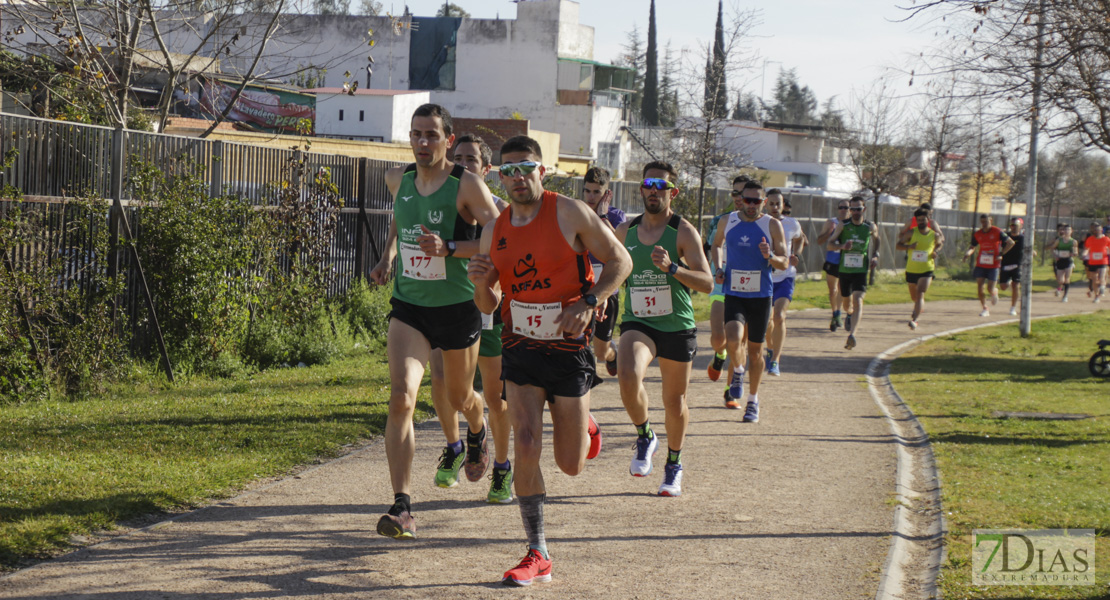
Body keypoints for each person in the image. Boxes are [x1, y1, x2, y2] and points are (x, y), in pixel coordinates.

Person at [467, 135, 632, 586]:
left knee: (571, 464)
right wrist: (481, 281)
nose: (518, 178)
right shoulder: (494, 229)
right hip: (520, 345)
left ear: (543, 172)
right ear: (499, 179)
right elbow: (487, 304)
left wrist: (590, 299)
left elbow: (621, 261)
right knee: (524, 442)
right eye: (508, 172)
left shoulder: (568, 213)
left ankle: (586, 424)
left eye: (526, 169)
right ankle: (537, 551)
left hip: (568, 347)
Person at [368, 104, 501, 539]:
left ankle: (477, 431)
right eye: (416, 134)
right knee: (402, 398)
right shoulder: (397, 180)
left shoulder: (467, 186)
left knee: (461, 396)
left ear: (447, 139)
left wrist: (449, 248)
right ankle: (402, 505)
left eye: (431, 135)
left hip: (458, 308)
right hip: (409, 307)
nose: (423, 143)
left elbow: (496, 233)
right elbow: (398, 221)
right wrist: (387, 257)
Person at [614, 161, 713, 497]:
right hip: (639, 322)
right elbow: (611, 271)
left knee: (674, 401)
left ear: (673, 192)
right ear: (640, 188)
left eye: (661, 185)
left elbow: (707, 283)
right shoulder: (625, 231)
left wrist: (673, 269)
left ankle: (674, 463)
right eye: (647, 184)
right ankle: (645, 435)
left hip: (676, 325)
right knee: (627, 375)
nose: (653, 190)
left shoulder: (683, 232)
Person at [711, 181, 789, 422]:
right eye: (748, 200)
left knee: (755, 351)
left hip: (761, 296)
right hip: (734, 292)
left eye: (757, 201)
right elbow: (716, 245)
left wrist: (771, 256)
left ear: (763, 202)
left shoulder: (772, 225)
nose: (752, 205)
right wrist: (719, 267)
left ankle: (753, 401)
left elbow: (784, 262)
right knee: (732, 338)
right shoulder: (728, 221)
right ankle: (737, 371)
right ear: (740, 199)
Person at [580, 166, 626, 380]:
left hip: (607, 290)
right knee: (580, 344)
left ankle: (612, 354)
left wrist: (602, 216)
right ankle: (582, 385)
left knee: (600, 351)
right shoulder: (576, 212)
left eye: (596, 192)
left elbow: (618, 245)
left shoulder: (615, 216)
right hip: (581, 288)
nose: (591, 196)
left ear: (607, 194)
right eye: (587, 191)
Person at [705, 175, 750, 383]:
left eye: (743, 193)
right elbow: (708, 248)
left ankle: (731, 389)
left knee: (739, 341)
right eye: (735, 193)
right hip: (721, 283)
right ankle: (719, 354)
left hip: (747, 287)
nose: (739, 197)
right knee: (718, 339)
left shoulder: (762, 223)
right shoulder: (720, 220)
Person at [826, 196, 880, 350]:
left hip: (861, 270)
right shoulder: (843, 225)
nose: (855, 212)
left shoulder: (870, 226)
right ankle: (849, 314)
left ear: (864, 209)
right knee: (847, 303)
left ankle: (853, 335)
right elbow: (829, 245)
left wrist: (876, 255)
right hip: (844, 270)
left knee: (858, 300)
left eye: (858, 209)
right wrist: (843, 246)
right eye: (852, 209)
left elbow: (878, 240)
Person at [763, 190, 807, 376]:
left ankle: (775, 361)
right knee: (767, 321)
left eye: (778, 204)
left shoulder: (791, 223)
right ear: (765, 204)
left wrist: (795, 255)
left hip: (785, 276)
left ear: (783, 205)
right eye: (771, 203)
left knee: (779, 315)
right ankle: (771, 348)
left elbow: (800, 239)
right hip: (764, 278)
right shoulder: (759, 222)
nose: (774, 207)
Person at [896, 206, 941, 329]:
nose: (921, 222)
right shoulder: (911, 232)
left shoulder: (934, 234)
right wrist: (909, 247)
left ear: (928, 219)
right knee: (914, 296)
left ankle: (915, 320)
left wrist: (935, 251)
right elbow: (898, 245)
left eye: (923, 219)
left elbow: (940, 243)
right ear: (916, 220)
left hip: (927, 269)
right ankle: (918, 307)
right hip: (912, 269)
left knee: (920, 293)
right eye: (919, 220)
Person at [963, 214, 1015, 317]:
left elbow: (1011, 242)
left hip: (994, 265)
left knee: (990, 288)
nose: (984, 224)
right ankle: (985, 308)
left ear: (991, 220)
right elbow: (972, 246)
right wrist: (967, 254)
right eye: (982, 222)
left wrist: (1001, 254)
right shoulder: (978, 234)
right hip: (981, 264)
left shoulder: (997, 231)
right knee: (980, 288)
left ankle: (994, 292)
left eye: (986, 222)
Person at [816, 200, 852, 332]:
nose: (843, 210)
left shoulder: (852, 224)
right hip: (832, 260)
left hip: (847, 262)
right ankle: (836, 314)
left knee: (844, 290)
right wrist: (828, 232)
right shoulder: (830, 222)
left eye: (846, 208)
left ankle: (848, 312)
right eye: (841, 207)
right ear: (838, 209)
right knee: (833, 290)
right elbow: (819, 241)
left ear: (850, 209)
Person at [998, 217, 1032, 316]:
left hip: (1018, 264)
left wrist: (1032, 252)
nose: (1013, 227)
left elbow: (1029, 248)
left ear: (1021, 226)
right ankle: (1004, 283)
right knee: (1003, 287)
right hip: (1005, 264)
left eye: (1015, 225)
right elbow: (999, 246)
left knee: (1016, 285)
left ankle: (1013, 307)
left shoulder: (1023, 238)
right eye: (1011, 225)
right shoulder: (1006, 237)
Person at [1082, 221, 1109, 302]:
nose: (1097, 232)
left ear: (1101, 231)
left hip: (1103, 261)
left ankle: (1102, 287)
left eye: (1099, 230)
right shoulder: (1090, 239)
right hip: (1093, 262)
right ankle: (1096, 296)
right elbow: (1087, 249)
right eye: (1095, 230)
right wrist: (1084, 254)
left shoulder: (1106, 239)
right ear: (1093, 231)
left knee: (1101, 277)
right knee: (1094, 279)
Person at [1049, 223, 1077, 302]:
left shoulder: (1073, 241)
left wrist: (1073, 253)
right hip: (1060, 260)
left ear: (1071, 231)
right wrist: (1055, 255)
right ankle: (1060, 288)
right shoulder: (1059, 240)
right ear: (1063, 231)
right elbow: (1052, 248)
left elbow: (1076, 252)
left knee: (1067, 278)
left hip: (1068, 261)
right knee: (1060, 280)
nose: (1067, 231)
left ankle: (1065, 296)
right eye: (1066, 230)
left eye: (1069, 230)